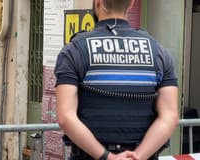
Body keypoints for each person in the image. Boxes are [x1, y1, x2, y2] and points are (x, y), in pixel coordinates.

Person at [54, 0, 179, 160]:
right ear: (131, 3)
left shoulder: (74, 51)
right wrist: (138, 156)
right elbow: (169, 116)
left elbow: (66, 116)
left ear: (98, 2)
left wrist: (108, 157)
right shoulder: (159, 52)